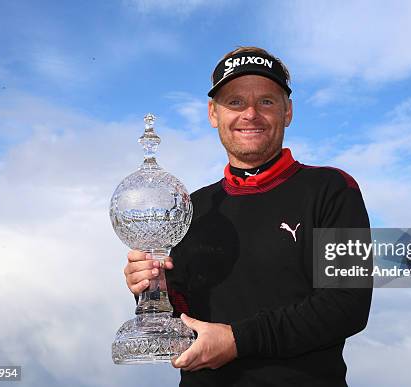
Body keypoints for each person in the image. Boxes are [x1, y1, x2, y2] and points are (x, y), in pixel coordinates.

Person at [124, 46, 372, 386]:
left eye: (267, 101)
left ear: (288, 112)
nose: (250, 114)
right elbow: (181, 313)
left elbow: (348, 304)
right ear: (213, 113)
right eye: (235, 102)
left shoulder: (334, 188)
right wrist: (151, 287)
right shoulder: (189, 207)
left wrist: (236, 340)